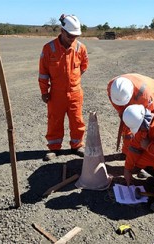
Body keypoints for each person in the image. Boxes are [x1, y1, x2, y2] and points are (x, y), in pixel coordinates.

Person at [38, 14, 89, 161]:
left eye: (75, 35)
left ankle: (77, 145)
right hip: (56, 94)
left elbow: (84, 66)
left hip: (75, 92)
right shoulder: (49, 49)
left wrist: (73, 80)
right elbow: (43, 73)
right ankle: (54, 148)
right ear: (62, 31)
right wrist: (44, 91)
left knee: (77, 120)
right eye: (70, 35)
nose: (73, 38)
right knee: (54, 120)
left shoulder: (80, 48)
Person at [107, 73, 154, 176]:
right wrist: (124, 115)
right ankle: (127, 152)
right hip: (133, 96)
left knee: (144, 132)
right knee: (128, 125)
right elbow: (119, 107)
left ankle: (144, 164)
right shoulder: (112, 87)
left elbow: (145, 123)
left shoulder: (145, 96)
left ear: (131, 93)